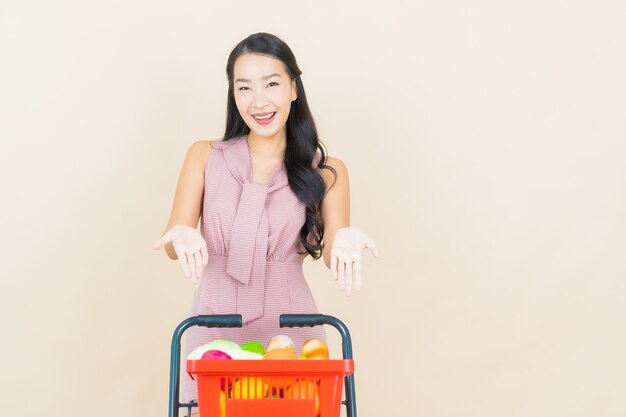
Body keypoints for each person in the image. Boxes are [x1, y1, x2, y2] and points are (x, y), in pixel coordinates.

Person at [153, 32, 379, 411]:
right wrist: (181, 236)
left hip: (292, 334)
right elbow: (175, 245)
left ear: (293, 87)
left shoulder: (327, 173)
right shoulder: (203, 156)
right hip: (212, 331)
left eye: (271, 84)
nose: (259, 101)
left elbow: (333, 248)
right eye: (244, 88)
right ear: (233, 95)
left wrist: (343, 242)